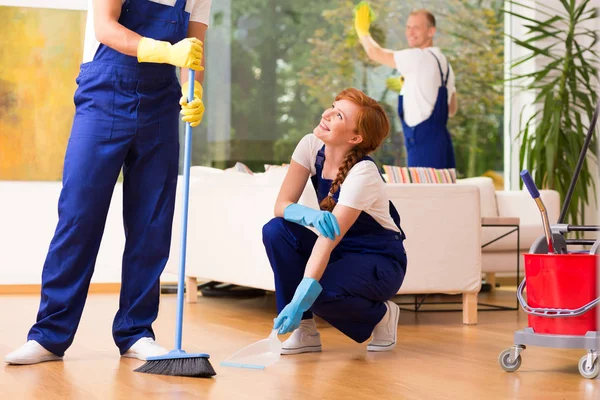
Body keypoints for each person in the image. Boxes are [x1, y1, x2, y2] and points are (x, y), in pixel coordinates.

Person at [5, 0, 211, 365]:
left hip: (161, 105)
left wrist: (192, 91)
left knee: (152, 223)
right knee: (79, 216)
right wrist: (164, 50)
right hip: (104, 95)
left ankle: (137, 332)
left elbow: (194, 53)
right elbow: (105, 26)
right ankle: (49, 336)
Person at [262, 88, 407, 354]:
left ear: (355, 137)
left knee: (317, 291)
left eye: (338, 115)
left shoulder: (363, 173)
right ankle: (305, 332)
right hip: (339, 251)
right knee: (276, 232)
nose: (326, 114)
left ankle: (381, 315)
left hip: (378, 261)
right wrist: (309, 215)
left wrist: (299, 299)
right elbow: (281, 207)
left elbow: (327, 242)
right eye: (332, 106)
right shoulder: (310, 145)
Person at [354, 2, 458, 169]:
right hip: (442, 143)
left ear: (431, 31)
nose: (410, 32)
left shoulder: (419, 57)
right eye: (408, 27)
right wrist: (412, 87)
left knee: (422, 194)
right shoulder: (445, 64)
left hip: (423, 144)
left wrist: (362, 32)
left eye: (416, 27)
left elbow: (375, 53)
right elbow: (451, 110)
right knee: (442, 193)